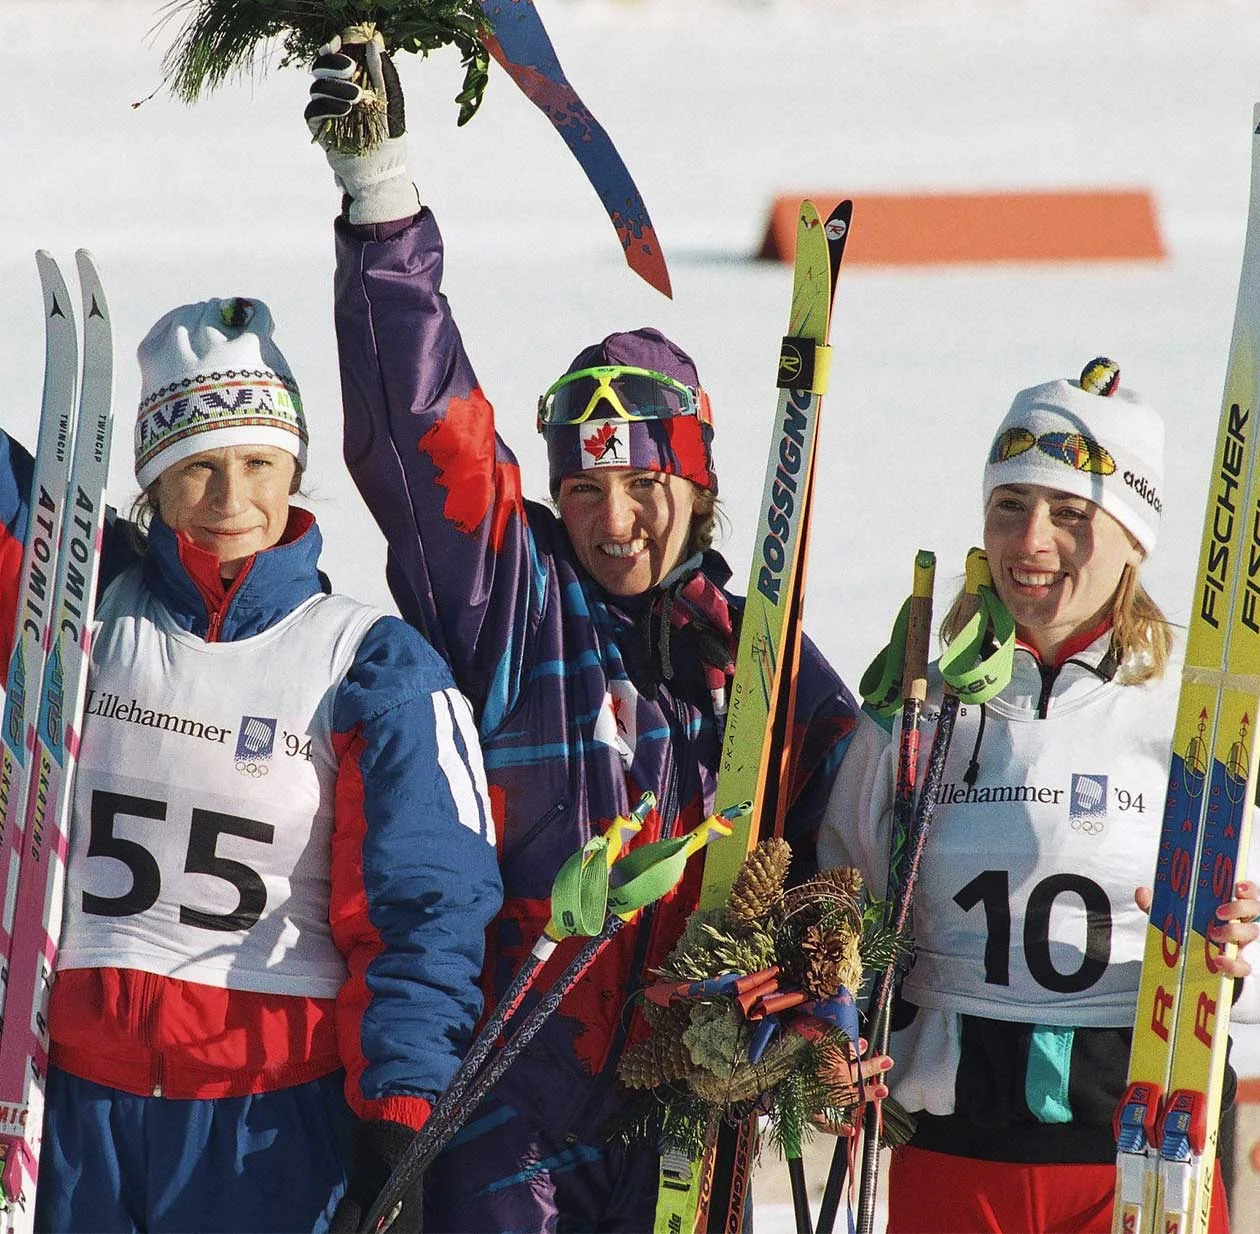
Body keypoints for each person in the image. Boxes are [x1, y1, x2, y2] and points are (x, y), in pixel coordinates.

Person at [0, 119, 502, 1234]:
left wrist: (402, 1102)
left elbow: (432, 903)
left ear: (295, 475)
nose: (230, 500)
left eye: (259, 467)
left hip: (273, 1127)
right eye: (199, 471)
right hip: (81, 1120)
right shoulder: (78, 612)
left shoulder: (369, 664)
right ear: (154, 490)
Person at [305, 42, 864, 1232]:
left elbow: (852, 834)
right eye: (587, 491)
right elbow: (424, 431)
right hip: (515, 1091)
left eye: (645, 487)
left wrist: (825, 975)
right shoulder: (517, 604)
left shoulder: (757, 661)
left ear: (699, 488)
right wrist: (381, 199)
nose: (613, 522)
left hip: (694, 1096)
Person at [818, 363, 1260, 1234]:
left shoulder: (1198, 708)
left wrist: (1239, 958)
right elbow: (837, 904)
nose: (1033, 543)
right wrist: (827, 1026)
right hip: (951, 1156)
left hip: (1135, 1158)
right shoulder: (916, 711)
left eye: (1072, 515)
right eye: (1010, 506)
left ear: (1134, 540)